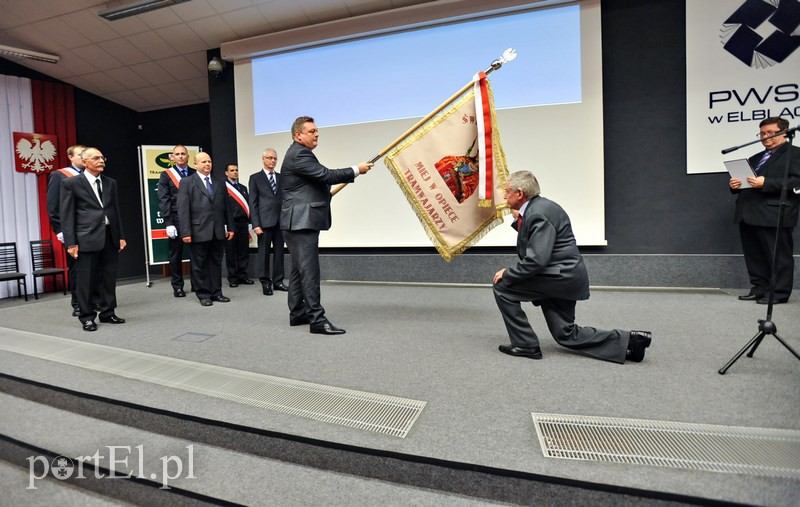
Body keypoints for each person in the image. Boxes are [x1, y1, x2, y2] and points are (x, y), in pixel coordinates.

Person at [492, 170, 651, 363]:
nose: (503, 195)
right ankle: (631, 341)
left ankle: (525, 345)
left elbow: (536, 260)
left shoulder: (537, 213)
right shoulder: (541, 208)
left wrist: (508, 273)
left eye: (507, 191)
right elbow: (540, 240)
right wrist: (519, 220)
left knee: (502, 287)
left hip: (556, 278)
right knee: (565, 334)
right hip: (565, 275)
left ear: (519, 193)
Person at [280, 116, 373, 334]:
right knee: (309, 271)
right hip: (301, 223)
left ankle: (297, 313)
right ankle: (317, 320)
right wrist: (356, 169)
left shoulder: (298, 153)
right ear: (298, 135)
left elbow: (312, 183)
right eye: (311, 131)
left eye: (316, 131)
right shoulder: (300, 154)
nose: (316, 134)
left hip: (296, 221)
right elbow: (325, 175)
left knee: (298, 270)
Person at [730, 116, 800, 305]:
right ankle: (759, 288)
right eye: (762, 133)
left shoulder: (795, 154)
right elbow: (747, 182)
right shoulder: (755, 158)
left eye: (770, 132)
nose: (765, 136)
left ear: (784, 132)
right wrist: (736, 185)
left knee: (778, 255)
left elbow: (797, 182)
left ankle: (779, 293)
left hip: (774, 213)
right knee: (754, 255)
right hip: (748, 212)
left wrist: (767, 182)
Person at [60, 147, 126, 332]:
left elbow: (115, 211)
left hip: (109, 236)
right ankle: (87, 317)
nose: (101, 160)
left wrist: (120, 235)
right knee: (86, 280)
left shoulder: (110, 182)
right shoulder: (71, 183)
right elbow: (66, 215)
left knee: (108, 278)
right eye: (96, 158)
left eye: (102, 157)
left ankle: (108, 312)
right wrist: (70, 242)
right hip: (85, 238)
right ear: (84, 162)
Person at [177, 152, 234, 306]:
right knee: (199, 264)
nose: (207, 164)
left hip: (217, 230)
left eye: (209, 161)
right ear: (195, 164)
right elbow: (182, 210)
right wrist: (186, 232)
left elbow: (226, 207)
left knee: (216, 262)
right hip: (197, 231)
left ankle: (217, 292)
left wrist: (230, 227)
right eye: (203, 162)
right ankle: (203, 294)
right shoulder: (187, 182)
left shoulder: (220, 182)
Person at [46, 144, 85, 316]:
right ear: (70, 157)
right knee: (77, 268)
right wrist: (60, 231)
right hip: (72, 231)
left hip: (93, 230)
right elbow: (53, 207)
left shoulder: (92, 176)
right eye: (80, 154)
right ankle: (77, 304)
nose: (83, 157)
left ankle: (95, 300)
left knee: (95, 268)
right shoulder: (59, 175)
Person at [158, 144, 195, 298]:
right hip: (176, 218)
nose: (180, 156)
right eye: (177, 154)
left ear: (188, 156)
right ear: (172, 157)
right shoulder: (166, 175)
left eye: (183, 154)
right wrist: (169, 223)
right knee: (175, 254)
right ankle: (177, 286)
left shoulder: (195, 173)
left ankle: (197, 283)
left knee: (197, 253)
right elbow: (164, 199)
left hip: (195, 218)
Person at [248, 148, 286, 295]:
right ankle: (265, 282)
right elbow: (253, 202)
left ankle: (278, 281)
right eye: (269, 158)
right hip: (263, 223)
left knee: (279, 253)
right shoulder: (255, 178)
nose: (272, 161)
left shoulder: (282, 177)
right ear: (263, 159)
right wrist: (255, 224)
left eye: (275, 158)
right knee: (263, 253)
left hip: (280, 222)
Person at [223, 163, 253, 287]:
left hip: (243, 223)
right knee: (231, 252)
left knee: (243, 251)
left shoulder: (243, 188)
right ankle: (233, 278)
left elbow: (248, 206)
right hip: (230, 224)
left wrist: (250, 222)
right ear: (226, 173)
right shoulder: (223, 188)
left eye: (236, 170)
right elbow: (222, 207)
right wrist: (225, 224)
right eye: (232, 170)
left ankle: (243, 276)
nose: (235, 172)